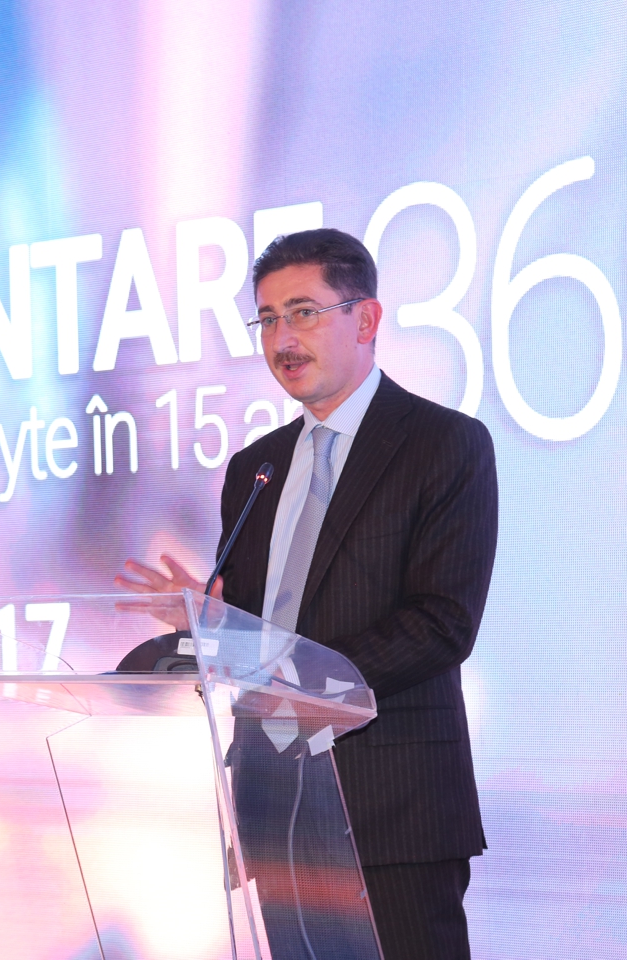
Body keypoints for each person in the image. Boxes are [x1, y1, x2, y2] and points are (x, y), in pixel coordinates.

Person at [116, 228, 497, 959]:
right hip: (275, 800)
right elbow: (259, 631)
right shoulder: (254, 469)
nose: (282, 338)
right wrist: (215, 622)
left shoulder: (443, 444)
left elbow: (443, 624)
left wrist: (292, 671)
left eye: (303, 313)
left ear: (366, 319)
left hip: (390, 801)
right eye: (267, 319)